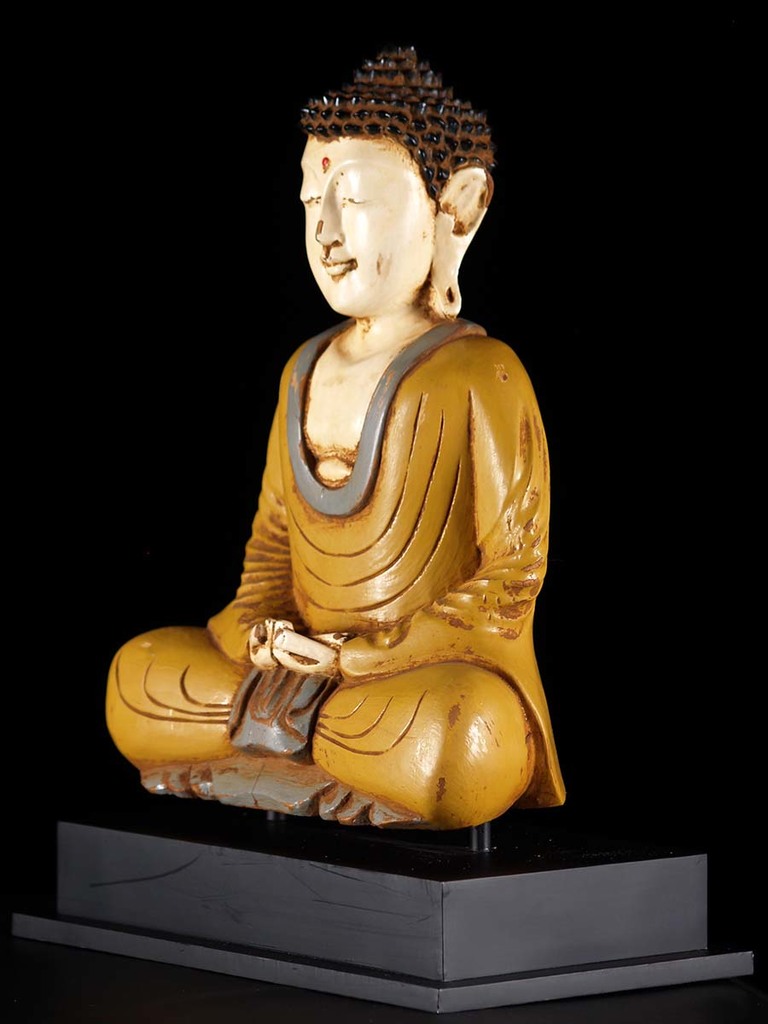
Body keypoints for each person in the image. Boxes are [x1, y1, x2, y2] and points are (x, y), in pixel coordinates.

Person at [106, 47, 565, 829]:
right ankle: (310, 759)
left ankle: (272, 759)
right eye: (310, 200)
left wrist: (356, 657)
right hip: (299, 677)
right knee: (139, 675)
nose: (324, 232)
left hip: (405, 682)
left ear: (455, 209)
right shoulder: (303, 369)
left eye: (352, 199)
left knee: (463, 736)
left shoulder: (481, 375)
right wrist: (262, 637)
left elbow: (510, 579)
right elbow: (271, 549)